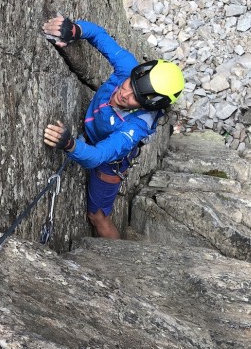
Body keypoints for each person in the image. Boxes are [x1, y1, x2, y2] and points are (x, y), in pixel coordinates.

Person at [42, 15, 184, 239]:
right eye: (128, 85)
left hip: (110, 164)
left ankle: (117, 261)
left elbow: (98, 157)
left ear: (148, 104)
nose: (123, 94)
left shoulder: (135, 127)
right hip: (94, 136)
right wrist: (75, 30)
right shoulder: (128, 69)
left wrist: (69, 144)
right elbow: (99, 35)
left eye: (134, 98)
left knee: (97, 217)